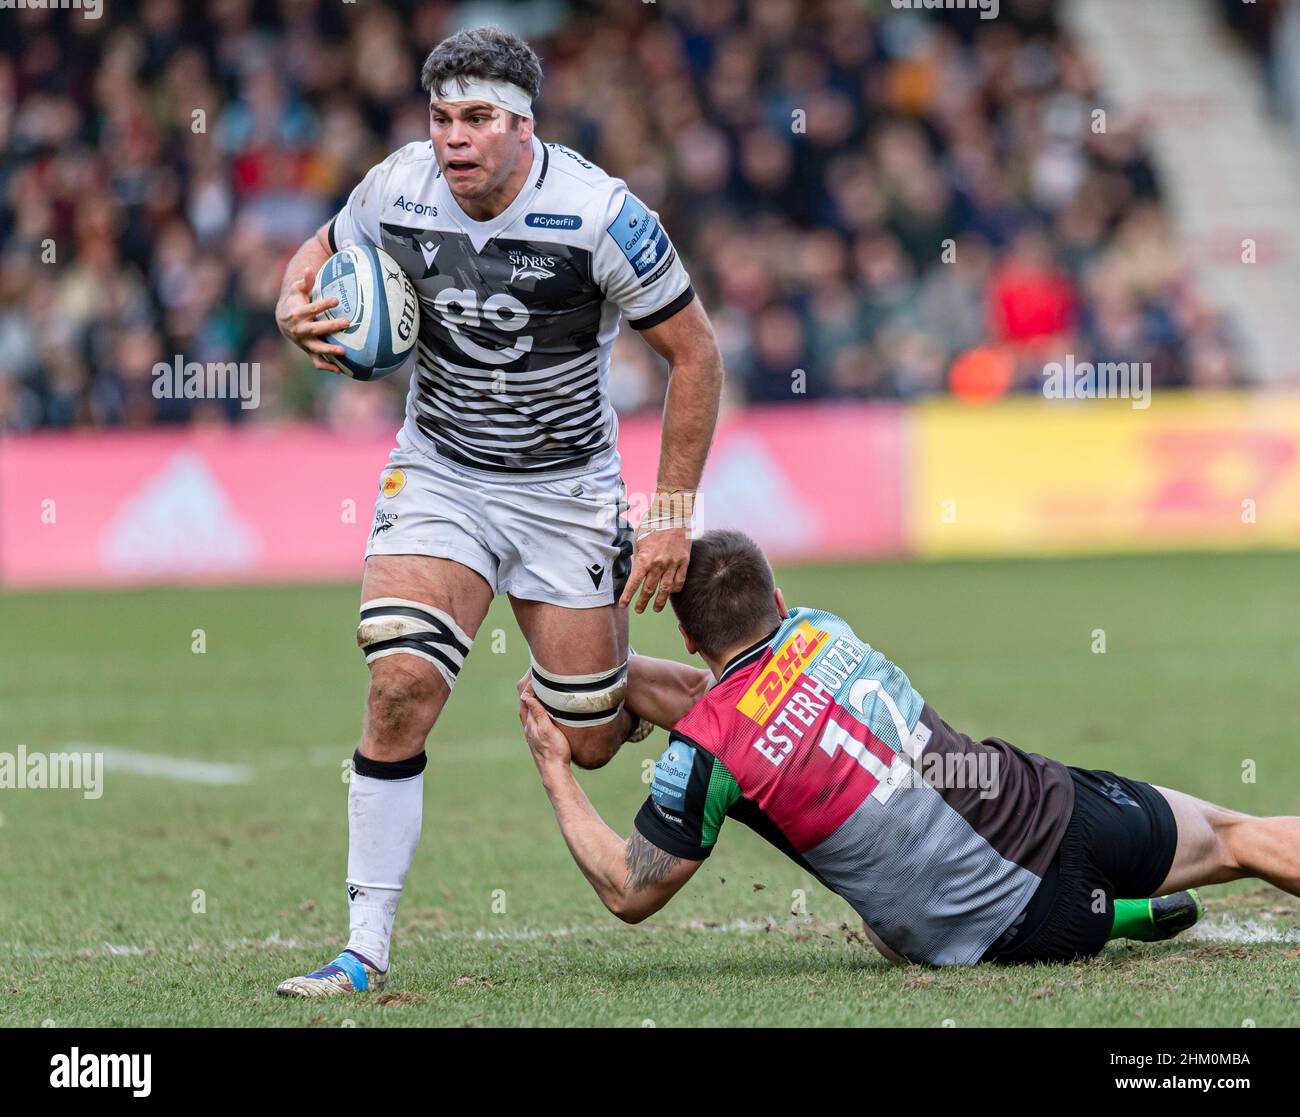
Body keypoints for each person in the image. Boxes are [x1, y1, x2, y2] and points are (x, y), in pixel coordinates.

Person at [273, 26, 722, 997]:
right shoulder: (396, 188)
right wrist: (289, 300)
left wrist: (670, 514)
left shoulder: (602, 215)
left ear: (524, 125)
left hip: (567, 494)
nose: (454, 139)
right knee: (399, 683)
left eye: (476, 118)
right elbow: (318, 248)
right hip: (442, 474)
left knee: (592, 738)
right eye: (441, 118)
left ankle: (622, 684)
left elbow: (697, 355)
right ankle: (364, 946)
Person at [517, 529, 1300, 966]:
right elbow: (720, 690)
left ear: (688, 636)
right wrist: (612, 683)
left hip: (1001, 933)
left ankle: (1112, 913)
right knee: (1240, 837)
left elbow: (629, 890)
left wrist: (559, 760)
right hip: (1058, 813)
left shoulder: (706, 752)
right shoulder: (824, 629)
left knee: (892, 926)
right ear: (780, 602)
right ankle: (1121, 905)